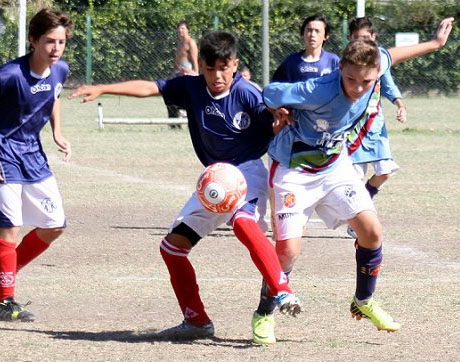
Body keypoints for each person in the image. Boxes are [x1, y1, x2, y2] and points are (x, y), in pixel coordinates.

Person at [70, 31, 302, 340]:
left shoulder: (246, 93)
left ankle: (282, 290)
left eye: (223, 68)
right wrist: (104, 88)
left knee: (243, 223)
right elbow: (150, 88)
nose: (217, 76)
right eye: (210, 69)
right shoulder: (191, 87)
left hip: (247, 172)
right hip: (214, 180)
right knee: (172, 248)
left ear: (235, 64)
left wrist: (278, 119)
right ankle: (196, 321)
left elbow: (273, 117)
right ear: (201, 66)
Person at [250, 18, 454, 345]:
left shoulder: (376, 66)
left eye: (366, 81)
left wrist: (435, 44)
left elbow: (394, 54)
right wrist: (280, 108)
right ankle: (264, 313)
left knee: (372, 232)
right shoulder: (318, 89)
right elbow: (271, 91)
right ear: (340, 67)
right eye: (350, 79)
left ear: (376, 74)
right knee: (287, 251)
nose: (358, 88)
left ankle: (364, 301)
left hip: (334, 166)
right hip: (293, 170)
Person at [0, 8, 73, 322]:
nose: (56, 48)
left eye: (61, 42)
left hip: (34, 154)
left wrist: (56, 130)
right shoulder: (10, 75)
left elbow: (54, 95)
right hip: (4, 152)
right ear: (33, 41)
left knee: (54, 224)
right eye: (49, 41)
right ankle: (5, 301)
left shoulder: (61, 70)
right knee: (10, 226)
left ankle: (5, 273)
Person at [345, 16, 408, 238]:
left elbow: (388, 85)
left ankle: (365, 197)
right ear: (349, 39)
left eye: (365, 38)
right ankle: (357, 221)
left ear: (374, 38)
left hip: (375, 128)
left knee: (385, 171)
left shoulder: (380, 59)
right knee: (353, 179)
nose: (361, 42)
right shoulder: (346, 64)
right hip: (352, 131)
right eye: (356, 38)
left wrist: (399, 104)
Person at [271, 14, 340, 82]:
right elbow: (276, 87)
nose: (312, 35)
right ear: (302, 33)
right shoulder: (291, 62)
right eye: (309, 30)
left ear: (326, 36)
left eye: (317, 31)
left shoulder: (333, 61)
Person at [167, 20, 199, 129]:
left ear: (188, 30)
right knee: (168, 96)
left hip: (188, 74)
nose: (181, 31)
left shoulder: (191, 42)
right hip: (178, 74)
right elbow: (177, 62)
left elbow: (195, 61)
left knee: (187, 99)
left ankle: (186, 117)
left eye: (183, 28)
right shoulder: (180, 43)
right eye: (179, 28)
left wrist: (195, 75)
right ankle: (174, 124)